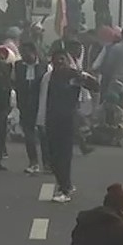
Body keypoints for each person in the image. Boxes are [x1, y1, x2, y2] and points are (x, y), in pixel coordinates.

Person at [37, 49, 99, 203]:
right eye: (56, 60)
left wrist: (82, 77)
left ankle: (64, 189)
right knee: (52, 156)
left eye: (62, 60)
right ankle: (67, 184)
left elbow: (95, 86)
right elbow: (43, 98)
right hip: (51, 120)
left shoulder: (75, 76)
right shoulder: (48, 77)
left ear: (67, 60)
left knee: (63, 156)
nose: (59, 63)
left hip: (68, 120)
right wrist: (41, 121)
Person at [13, 42, 50, 174]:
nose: (24, 56)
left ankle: (47, 163)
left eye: (26, 53)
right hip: (24, 105)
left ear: (34, 52)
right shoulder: (18, 66)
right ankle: (33, 162)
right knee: (29, 135)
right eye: (22, 53)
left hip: (40, 104)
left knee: (44, 135)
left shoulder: (44, 66)